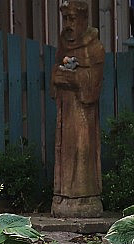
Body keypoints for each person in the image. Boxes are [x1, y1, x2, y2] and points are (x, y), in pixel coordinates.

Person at [50, 0, 106, 218]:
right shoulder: (64, 45)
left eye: (72, 18)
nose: (68, 24)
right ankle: (62, 197)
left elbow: (94, 84)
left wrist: (76, 79)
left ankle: (85, 198)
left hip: (83, 115)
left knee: (83, 150)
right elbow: (55, 73)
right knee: (64, 150)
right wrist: (57, 76)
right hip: (65, 110)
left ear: (83, 19)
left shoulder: (95, 47)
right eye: (65, 19)